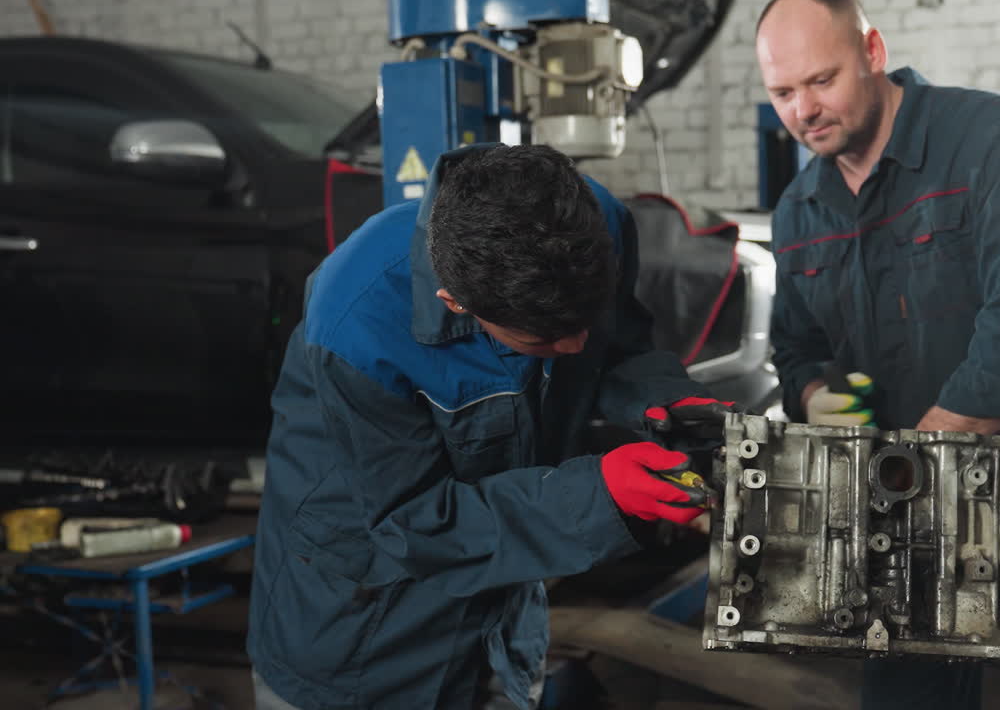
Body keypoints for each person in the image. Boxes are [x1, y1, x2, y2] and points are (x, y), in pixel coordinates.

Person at [755, 0, 1000, 708]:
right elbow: (797, 347)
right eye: (782, 93)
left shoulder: (998, 141)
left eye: (821, 80)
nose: (803, 109)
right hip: (906, 522)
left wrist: (914, 462)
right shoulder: (799, 211)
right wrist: (820, 400)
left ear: (872, 52)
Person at [247, 143, 730, 709]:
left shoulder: (593, 225)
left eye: (585, 321)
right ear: (457, 303)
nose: (577, 346)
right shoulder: (356, 325)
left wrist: (661, 397)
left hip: (504, 612)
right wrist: (599, 495)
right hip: (362, 636)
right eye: (543, 340)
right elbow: (415, 520)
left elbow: (618, 346)